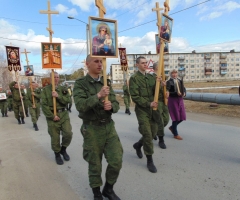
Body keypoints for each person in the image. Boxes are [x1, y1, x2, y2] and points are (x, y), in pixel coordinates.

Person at [73, 55, 123, 200]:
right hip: (92, 128)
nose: (100, 64)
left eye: (101, 62)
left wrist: (111, 106)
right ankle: (96, 193)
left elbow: (116, 103)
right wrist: (99, 95)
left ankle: (108, 189)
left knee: (116, 160)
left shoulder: (105, 82)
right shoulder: (81, 83)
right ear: (87, 64)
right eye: (96, 61)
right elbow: (80, 106)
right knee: (95, 163)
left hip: (108, 126)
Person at [129, 56, 159, 173]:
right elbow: (135, 97)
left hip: (153, 109)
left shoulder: (151, 77)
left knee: (153, 133)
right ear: (137, 65)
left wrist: (161, 85)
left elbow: (156, 92)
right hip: (142, 110)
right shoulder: (134, 78)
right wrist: (148, 103)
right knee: (147, 134)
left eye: (146, 63)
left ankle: (138, 145)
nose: (145, 64)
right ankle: (150, 160)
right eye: (142, 63)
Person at [41, 72, 73, 165]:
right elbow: (44, 106)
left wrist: (58, 96)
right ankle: (57, 154)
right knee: (55, 137)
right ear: (50, 79)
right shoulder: (45, 90)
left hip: (63, 114)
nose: (56, 78)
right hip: (52, 115)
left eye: (57, 77)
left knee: (68, 133)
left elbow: (68, 100)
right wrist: (52, 116)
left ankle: (63, 149)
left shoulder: (63, 89)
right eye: (54, 77)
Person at [152, 62, 170, 149]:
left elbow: (167, 87)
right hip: (157, 101)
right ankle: (161, 140)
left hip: (164, 101)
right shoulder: (151, 77)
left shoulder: (163, 77)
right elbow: (151, 89)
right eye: (161, 67)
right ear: (157, 68)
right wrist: (159, 85)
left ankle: (155, 131)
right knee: (160, 121)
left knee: (166, 119)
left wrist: (167, 92)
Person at [166, 69, 186, 140]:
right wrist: (175, 93)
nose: (174, 74)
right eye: (173, 73)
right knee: (175, 117)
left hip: (180, 100)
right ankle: (175, 134)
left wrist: (184, 93)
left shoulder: (180, 80)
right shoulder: (168, 82)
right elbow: (167, 92)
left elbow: (183, 88)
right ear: (170, 74)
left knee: (182, 116)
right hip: (173, 100)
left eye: (175, 73)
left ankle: (172, 127)